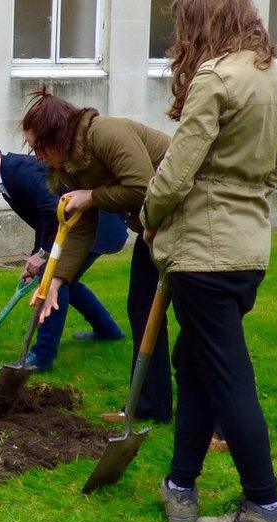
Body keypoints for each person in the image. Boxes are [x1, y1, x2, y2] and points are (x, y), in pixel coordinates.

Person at [143, 0, 277, 522]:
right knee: (197, 365)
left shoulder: (216, 77)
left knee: (228, 377)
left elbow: (175, 172)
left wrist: (148, 217)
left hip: (203, 253)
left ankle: (266, 509)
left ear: (202, 22)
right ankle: (180, 488)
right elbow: (273, 172)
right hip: (248, 250)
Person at [20, 90, 174, 424]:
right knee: (142, 309)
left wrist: (92, 195)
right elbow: (80, 224)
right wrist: (57, 280)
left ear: (56, 135)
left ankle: (220, 425)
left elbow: (144, 187)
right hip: (155, 230)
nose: (37, 156)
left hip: (188, 222)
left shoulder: (105, 133)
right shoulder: (70, 163)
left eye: (38, 147)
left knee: (200, 321)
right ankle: (150, 407)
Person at [0, 133, 125, 372]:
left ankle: (42, 358)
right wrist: (36, 256)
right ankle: (108, 331)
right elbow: (43, 220)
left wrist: (43, 255)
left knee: (55, 283)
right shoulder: (7, 177)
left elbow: (51, 209)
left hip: (92, 228)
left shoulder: (19, 172)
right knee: (66, 282)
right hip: (79, 228)